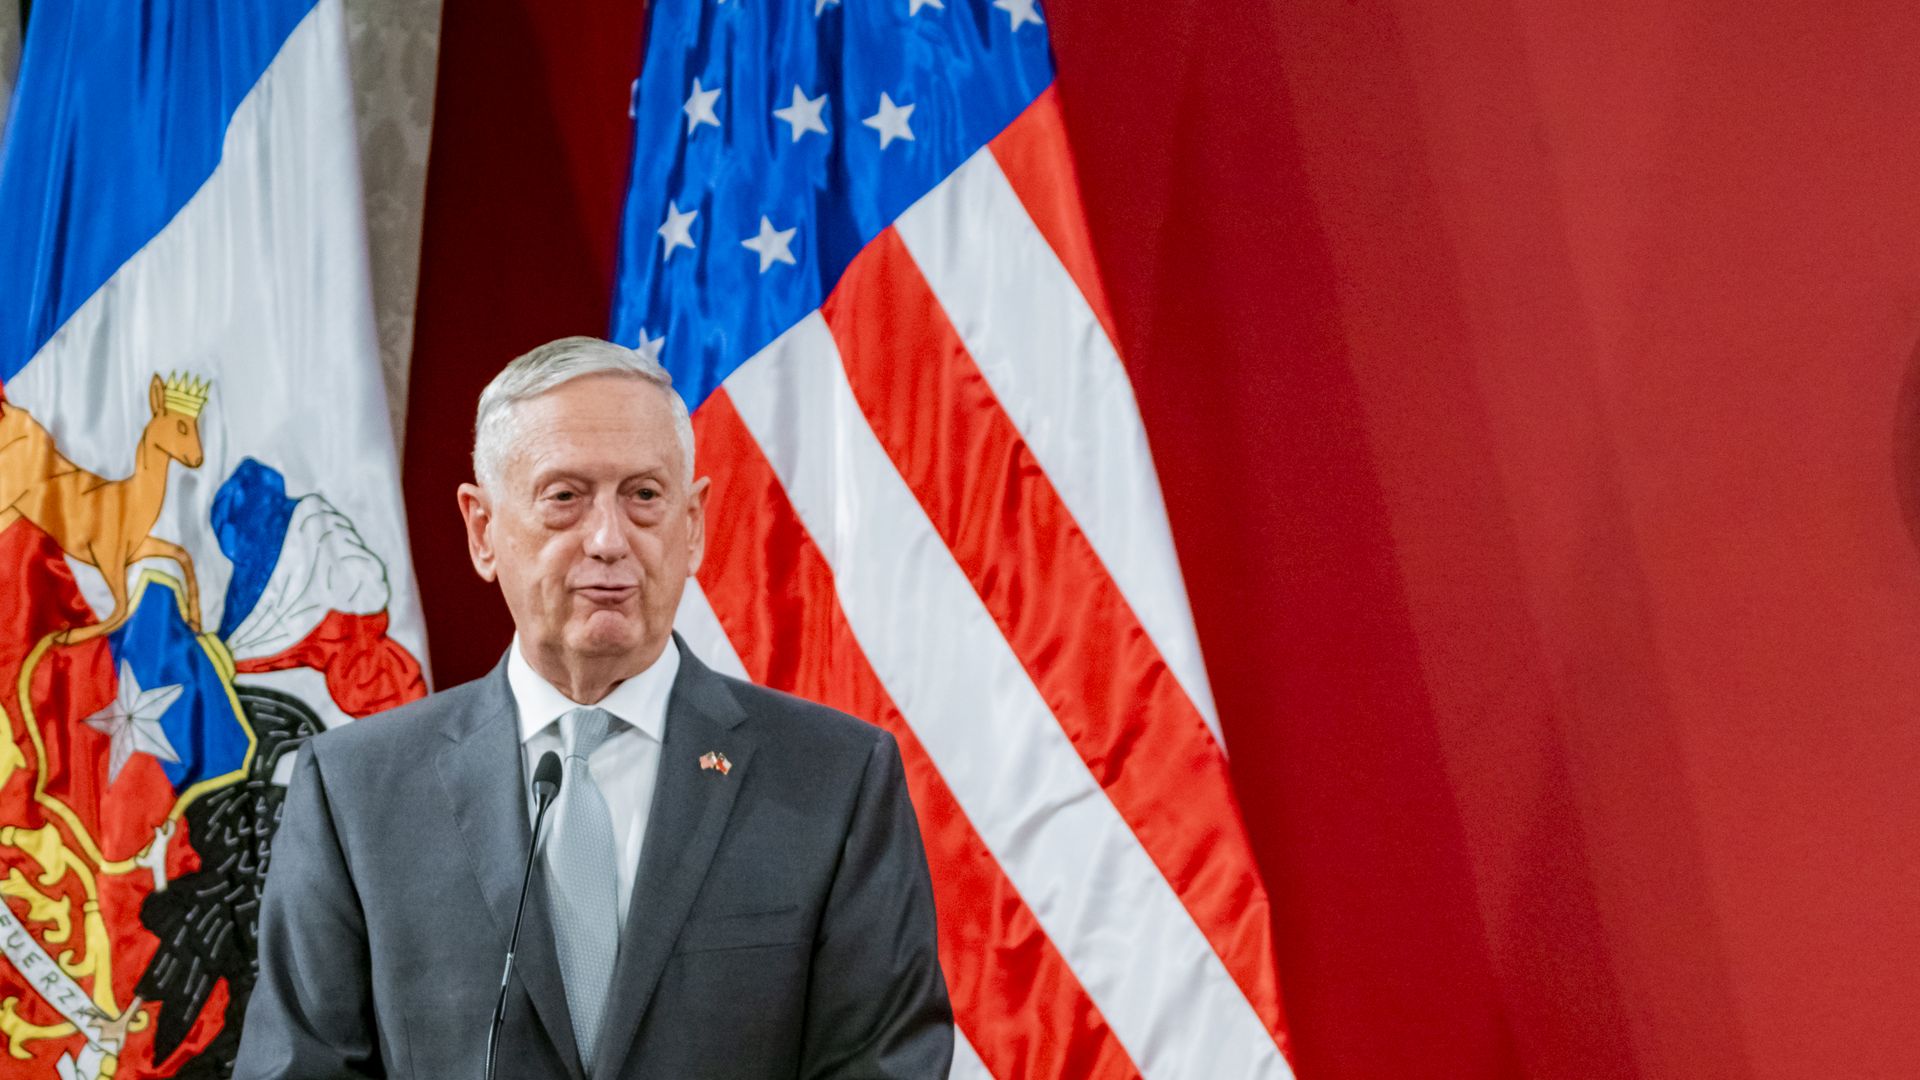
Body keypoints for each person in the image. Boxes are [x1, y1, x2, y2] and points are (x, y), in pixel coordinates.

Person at [233, 337, 953, 1078]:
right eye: (565, 497)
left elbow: (882, 1066)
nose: (609, 540)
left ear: (693, 523)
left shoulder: (833, 779)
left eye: (643, 496)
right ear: (483, 531)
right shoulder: (356, 791)